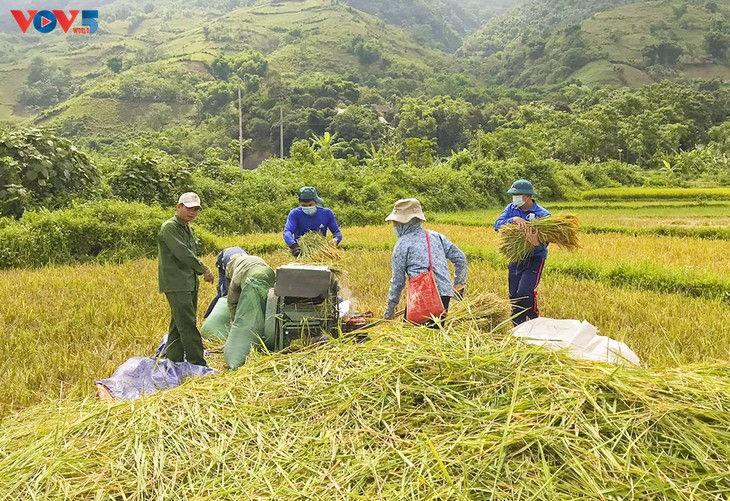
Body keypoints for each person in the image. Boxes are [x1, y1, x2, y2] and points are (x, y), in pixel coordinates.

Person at [384, 198, 467, 320]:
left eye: (395, 223)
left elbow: (398, 282)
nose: (394, 226)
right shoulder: (436, 236)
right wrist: (459, 284)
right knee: (435, 336)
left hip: (422, 297)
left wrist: (390, 311)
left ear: (403, 223)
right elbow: (460, 258)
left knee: (412, 337)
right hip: (443, 295)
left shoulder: (402, 244)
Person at [158, 192, 214, 367]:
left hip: (189, 283)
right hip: (177, 284)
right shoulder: (170, 227)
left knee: (178, 324)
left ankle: (173, 360)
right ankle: (197, 363)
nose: (192, 213)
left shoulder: (187, 228)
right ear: (179, 207)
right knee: (188, 325)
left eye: (196, 209)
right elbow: (183, 253)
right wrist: (203, 268)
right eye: (189, 208)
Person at [494, 179, 551, 325]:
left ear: (527, 196)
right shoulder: (511, 208)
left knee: (525, 291)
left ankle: (533, 319)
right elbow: (497, 225)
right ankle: (517, 325)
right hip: (516, 256)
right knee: (514, 295)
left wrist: (536, 242)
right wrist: (514, 219)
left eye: (517, 194)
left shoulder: (542, 215)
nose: (515, 198)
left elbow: (549, 239)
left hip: (535, 258)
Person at [283, 186, 342, 257]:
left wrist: (335, 240)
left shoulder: (327, 213)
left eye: (310, 205)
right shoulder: (295, 214)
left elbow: (337, 233)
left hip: (321, 252)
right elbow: (287, 232)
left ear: (316, 202)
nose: (307, 207)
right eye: (304, 205)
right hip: (300, 252)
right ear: (300, 204)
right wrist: (294, 245)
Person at [225, 252, 276, 321]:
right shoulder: (251, 258)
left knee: (252, 304)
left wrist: (234, 322)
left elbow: (232, 303)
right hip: (269, 272)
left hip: (251, 276)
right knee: (269, 301)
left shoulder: (236, 273)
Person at [203, 246, 248, 318]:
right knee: (224, 293)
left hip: (238, 254)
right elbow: (229, 284)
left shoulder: (250, 268)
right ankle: (209, 316)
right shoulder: (233, 268)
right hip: (224, 259)